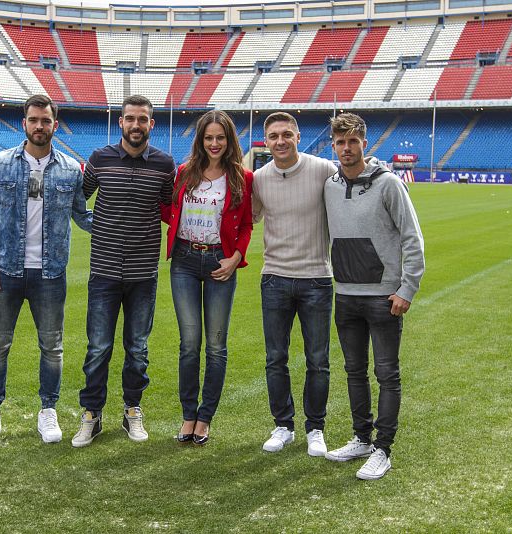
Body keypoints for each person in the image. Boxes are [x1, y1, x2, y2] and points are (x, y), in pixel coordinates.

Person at [0, 94, 92, 446]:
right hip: (5, 270)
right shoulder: (0, 164)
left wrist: (119, 221)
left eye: (46, 120)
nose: (40, 126)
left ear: (55, 124)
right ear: (24, 123)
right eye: (34, 120)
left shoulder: (70, 169)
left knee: (52, 346)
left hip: (50, 274)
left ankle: (48, 410)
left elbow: (82, 216)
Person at [323, 113, 425, 480]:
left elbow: (412, 238)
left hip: (384, 297)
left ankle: (383, 449)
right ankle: (362, 438)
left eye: (353, 141)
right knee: (354, 371)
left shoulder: (389, 184)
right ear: (333, 146)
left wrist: (406, 289)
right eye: (340, 142)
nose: (347, 148)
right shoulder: (330, 186)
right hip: (345, 295)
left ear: (365, 144)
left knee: (386, 374)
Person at [71, 95, 176, 448]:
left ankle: (132, 408)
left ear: (151, 124)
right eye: (130, 118)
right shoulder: (99, 159)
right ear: (121, 122)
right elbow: (78, 201)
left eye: (142, 119)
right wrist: (96, 226)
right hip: (103, 271)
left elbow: (169, 208)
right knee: (98, 348)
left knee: (138, 348)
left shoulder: (165, 164)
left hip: (143, 274)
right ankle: (91, 413)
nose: (136, 125)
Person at [164, 111, 253, 446]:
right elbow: (168, 209)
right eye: (208, 138)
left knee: (216, 345)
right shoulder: (184, 172)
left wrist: (236, 257)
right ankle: (188, 415)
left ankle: (205, 418)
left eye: (220, 138)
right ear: (200, 140)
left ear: (229, 141)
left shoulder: (242, 178)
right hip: (185, 261)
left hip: (220, 262)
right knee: (189, 344)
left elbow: (247, 224)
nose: (214, 144)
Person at [252, 112, 338, 456]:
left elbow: (355, 179)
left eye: (287, 134)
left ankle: (315, 428)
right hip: (274, 278)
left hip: (316, 278)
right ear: (266, 141)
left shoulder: (323, 170)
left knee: (318, 359)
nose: (280, 141)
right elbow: (246, 218)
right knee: (276, 358)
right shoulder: (259, 179)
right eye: (274, 136)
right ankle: (283, 426)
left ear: (298, 137)